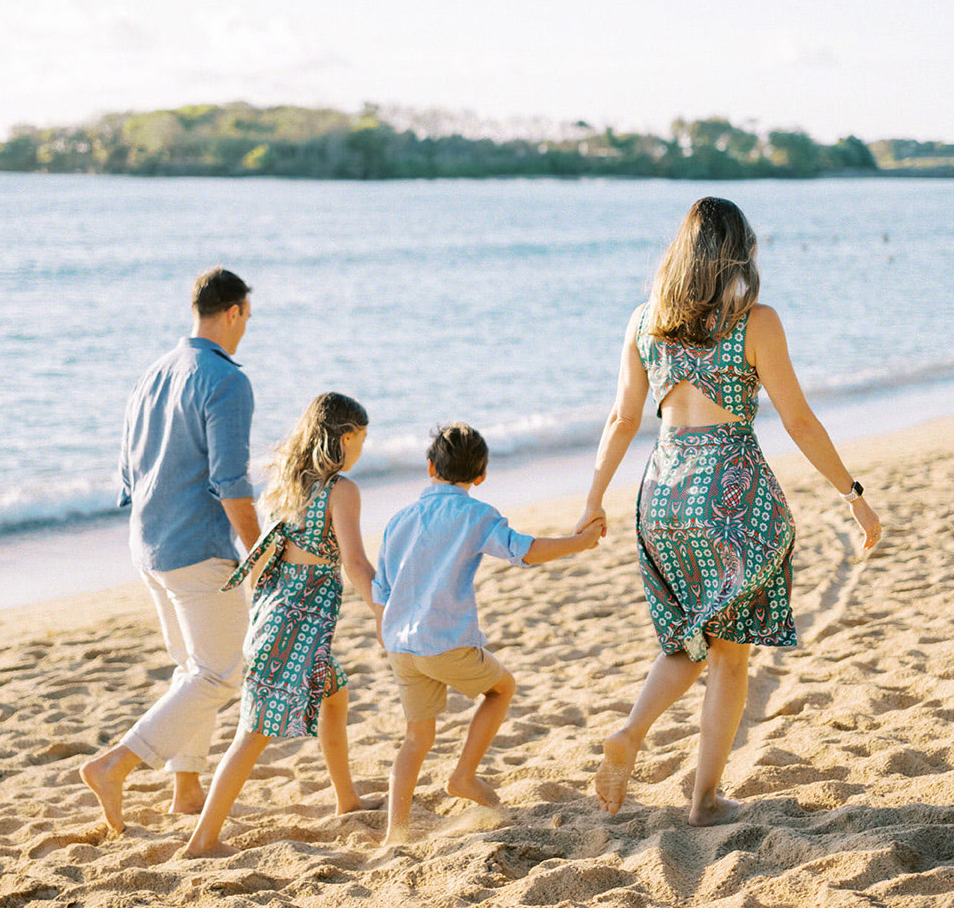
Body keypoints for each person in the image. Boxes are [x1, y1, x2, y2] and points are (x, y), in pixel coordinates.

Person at [575, 196, 882, 826]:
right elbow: (797, 418)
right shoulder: (754, 321)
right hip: (728, 491)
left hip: (661, 493)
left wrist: (592, 499)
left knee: (689, 638)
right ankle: (705, 799)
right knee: (730, 651)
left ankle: (632, 733)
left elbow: (622, 419)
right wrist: (853, 495)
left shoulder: (643, 322)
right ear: (737, 253)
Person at [81, 267, 260, 834]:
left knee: (193, 670)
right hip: (194, 547)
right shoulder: (225, 380)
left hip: (146, 543)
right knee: (222, 673)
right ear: (233, 312)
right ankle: (116, 764)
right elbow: (230, 479)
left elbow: (128, 472)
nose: (245, 328)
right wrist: (259, 551)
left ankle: (186, 789)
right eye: (247, 317)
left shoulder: (152, 373)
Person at [373, 423, 604, 846]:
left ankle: (396, 832)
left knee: (416, 737)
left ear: (430, 467)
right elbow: (524, 551)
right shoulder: (476, 515)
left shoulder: (399, 519)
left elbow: (381, 590)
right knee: (501, 689)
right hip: (445, 641)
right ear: (480, 476)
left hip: (400, 645)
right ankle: (463, 775)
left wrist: (388, 638)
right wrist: (579, 542)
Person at [181, 392, 380, 858]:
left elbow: (270, 555)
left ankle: (346, 798)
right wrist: (380, 608)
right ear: (346, 437)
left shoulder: (288, 483)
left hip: (277, 612)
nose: (362, 448)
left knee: (335, 694)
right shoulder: (341, 490)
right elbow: (353, 560)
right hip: (299, 625)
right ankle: (203, 840)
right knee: (253, 731)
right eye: (362, 438)